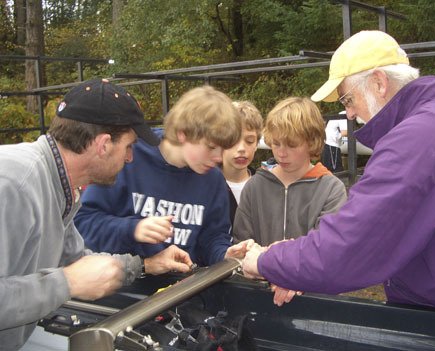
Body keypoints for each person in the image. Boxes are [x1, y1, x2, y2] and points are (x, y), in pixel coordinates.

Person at [242, 30, 435, 312]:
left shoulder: (413, 140)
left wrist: (267, 261)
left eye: (347, 100)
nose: (348, 113)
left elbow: (349, 247)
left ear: (379, 83)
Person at [0, 78, 193, 350]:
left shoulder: (60, 185)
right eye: (128, 146)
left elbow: (77, 261)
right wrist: (66, 283)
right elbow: (72, 275)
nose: (130, 158)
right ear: (103, 145)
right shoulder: (15, 184)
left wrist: (144, 265)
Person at [74, 85, 252, 267]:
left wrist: (224, 254)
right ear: (183, 134)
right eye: (212, 147)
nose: (218, 158)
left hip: (184, 289)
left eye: (224, 150)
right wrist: (133, 230)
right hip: (126, 287)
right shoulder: (127, 159)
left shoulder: (213, 179)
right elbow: (83, 225)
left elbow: (212, 238)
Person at [233, 97, 347, 246]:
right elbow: (241, 242)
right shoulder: (255, 186)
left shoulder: (331, 190)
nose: (281, 153)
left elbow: (328, 248)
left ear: (312, 142)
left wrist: (277, 257)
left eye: (291, 145)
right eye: (276, 144)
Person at [221, 101, 263, 227]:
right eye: (233, 140)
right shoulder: (207, 185)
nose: (241, 148)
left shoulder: (265, 186)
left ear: (257, 144)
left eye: (249, 141)